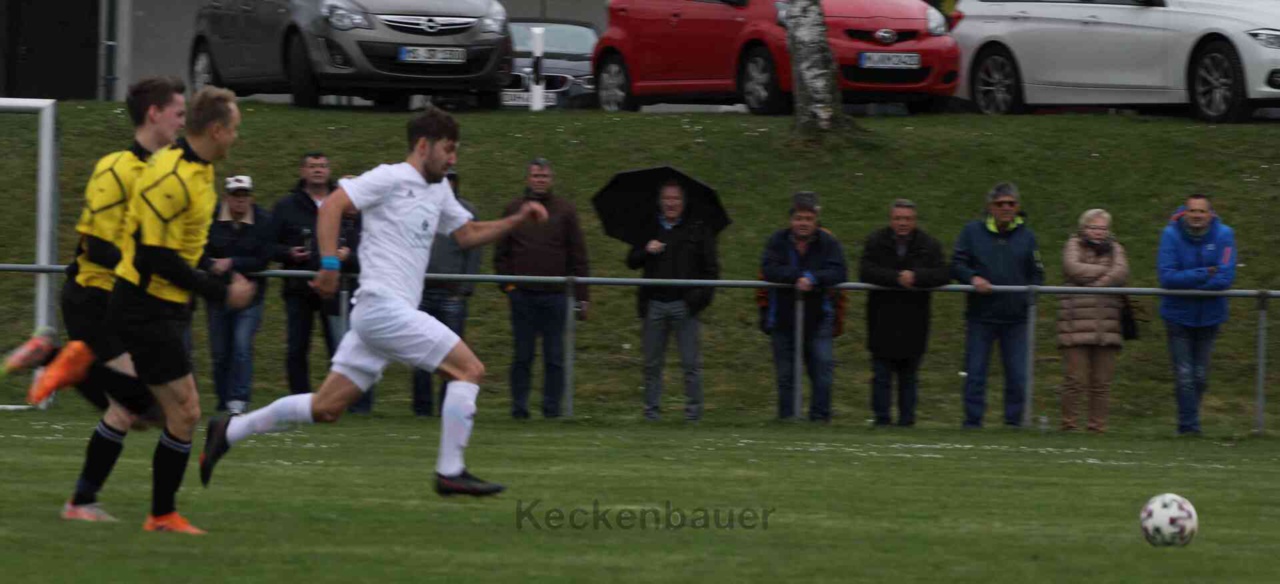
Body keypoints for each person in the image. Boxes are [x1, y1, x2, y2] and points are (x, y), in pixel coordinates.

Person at [201, 107, 550, 498]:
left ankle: (229, 430)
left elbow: (466, 234)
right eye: (448, 149)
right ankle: (450, 471)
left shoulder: (438, 190)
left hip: (382, 316)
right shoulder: (390, 177)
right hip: (383, 308)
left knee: (326, 408)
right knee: (469, 370)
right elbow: (333, 205)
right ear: (423, 146)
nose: (453, 159)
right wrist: (329, 263)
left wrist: (516, 220)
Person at [40, 87, 255, 534]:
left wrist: (207, 269)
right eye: (234, 128)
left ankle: (96, 501)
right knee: (174, 411)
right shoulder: (161, 173)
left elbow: (177, 245)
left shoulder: (198, 172)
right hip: (135, 304)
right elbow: (150, 254)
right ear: (217, 130)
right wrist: (218, 292)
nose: (237, 137)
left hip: (164, 305)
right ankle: (157, 513)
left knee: (143, 412)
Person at [12, 77, 187, 523]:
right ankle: (54, 359)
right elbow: (96, 247)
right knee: (138, 407)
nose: (182, 122)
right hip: (96, 297)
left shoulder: (166, 173)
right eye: (178, 113)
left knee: (138, 412)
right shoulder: (116, 168)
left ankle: (82, 501)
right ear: (154, 114)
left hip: (128, 303)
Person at [494, 158, 590, 419]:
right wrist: (509, 286)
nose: (540, 180)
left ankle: (551, 410)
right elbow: (501, 253)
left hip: (556, 296)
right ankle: (519, 408)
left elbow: (578, 255)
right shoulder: (514, 209)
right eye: (536, 175)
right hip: (522, 296)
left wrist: (582, 296)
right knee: (522, 355)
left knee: (554, 357)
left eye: (544, 176)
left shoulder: (565, 211)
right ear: (528, 178)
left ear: (551, 179)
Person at [951, 182, 1044, 428]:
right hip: (981, 316)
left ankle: (1013, 424)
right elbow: (957, 264)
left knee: (1018, 375)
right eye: (1000, 203)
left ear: (1017, 206)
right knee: (975, 373)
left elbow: (1037, 273)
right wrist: (973, 278)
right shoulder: (972, 232)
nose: (1006, 208)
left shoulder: (1027, 236)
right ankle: (973, 423)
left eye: (1011, 203)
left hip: (1016, 319)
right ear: (990, 206)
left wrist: (1028, 299)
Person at [626, 180, 719, 421]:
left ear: (683, 202)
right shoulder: (648, 227)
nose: (671, 203)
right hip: (654, 304)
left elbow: (712, 270)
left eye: (675, 198)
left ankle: (693, 415)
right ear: (660, 201)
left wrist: (696, 301)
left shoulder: (698, 229)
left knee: (690, 364)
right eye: (666, 198)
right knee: (651, 364)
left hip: (685, 305)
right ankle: (652, 414)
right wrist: (646, 250)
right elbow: (631, 261)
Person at [269, 152, 360, 396]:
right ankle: (300, 399)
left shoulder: (343, 201)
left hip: (336, 288)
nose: (318, 170)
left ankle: (337, 398)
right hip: (299, 288)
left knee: (339, 347)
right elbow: (267, 245)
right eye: (312, 166)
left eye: (322, 165)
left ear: (329, 171)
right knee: (297, 347)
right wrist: (288, 253)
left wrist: (348, 255)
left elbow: (361, 240)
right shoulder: (286, 206)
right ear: (303, 171)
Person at [858, 199, 948, 427]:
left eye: (907, 219)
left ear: (914, 220)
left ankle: (907, 422)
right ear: (891, 219)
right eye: (898, 218)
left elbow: (944, 274)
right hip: (881, 319)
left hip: (914, 320)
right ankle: (881, 421)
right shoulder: (876, 241)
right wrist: (896, 278)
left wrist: (916, 277)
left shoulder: (928, 244)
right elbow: (865, 271)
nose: (902, 223)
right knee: (881, 376)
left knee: (909, 377)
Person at [761, 192, 847, 422]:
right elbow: (768, 269)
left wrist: (813, 278)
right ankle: (787, 419)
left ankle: (819, 418)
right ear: (791, 219)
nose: (803, 223)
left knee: (822, 370)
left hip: (818, 318)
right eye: (799, 218)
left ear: (816, 221)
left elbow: (839, 271)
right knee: (785, 374)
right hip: (783, 317)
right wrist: (797, 277)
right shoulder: (777, 241)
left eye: (808, 219)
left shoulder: (828, 242)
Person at [1157, 193, 1235, 436]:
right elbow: (1167, 277)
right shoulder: (1170, 235)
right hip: (1178, 315)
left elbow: (1225, 277)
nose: (1197, 216)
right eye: (1193, 211)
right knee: (1184, 375)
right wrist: (1203, 273)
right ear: (1185, 212)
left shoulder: (1225, 235)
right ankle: (1188, 427)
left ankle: (1189, 422)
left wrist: (1190, 282)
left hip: (1210, 315)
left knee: (1200, 376)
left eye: (1202, 211)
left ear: (1210, 214)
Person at [412, 168, 482, 416]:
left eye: (451, 180)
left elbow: (474, 252)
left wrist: (465, 288)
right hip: (420, 293)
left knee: (452, 355)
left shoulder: (466, 211)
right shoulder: (418, 208)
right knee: (420, 353)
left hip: (452, 294)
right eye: (443, 180)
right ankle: (421, 408)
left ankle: (448, 406)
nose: (447, 184)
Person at [205, 175, 273, 415]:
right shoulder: (210, 217)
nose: (240, 200)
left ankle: (239, 399)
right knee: (219, 351)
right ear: (226, 197)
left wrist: (232, 263)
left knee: (242, 345)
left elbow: (264, 257)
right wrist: (216, 267)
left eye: (245, 195)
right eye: (236, 195)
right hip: (218, 293)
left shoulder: (263, 220)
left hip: (251, 295)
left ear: (251, 197)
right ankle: (223, 398)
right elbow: (199, 251)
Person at [1057, 209, 1129, 433]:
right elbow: (1073, 268)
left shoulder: (1116, 248)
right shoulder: (1073, 244)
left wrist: (1098, 283)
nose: (1098, 232)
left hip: (1107, 325)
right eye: (1093, 227)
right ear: (1084, 228)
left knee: (1102, 382)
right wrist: (1106, 272)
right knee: (1074, 379)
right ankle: (1069, 425)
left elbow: (1122, 272)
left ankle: (1097, 427)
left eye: (1102, 228)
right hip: (1075, 324)